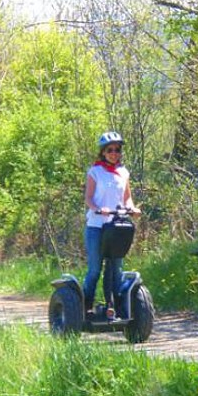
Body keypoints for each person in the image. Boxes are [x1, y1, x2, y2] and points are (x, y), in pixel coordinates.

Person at [83, 131, 141, 321]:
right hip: (96, 226)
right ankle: (86, 308)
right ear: (103, 152)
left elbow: (127, 197)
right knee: (94, 269)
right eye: (110, 150)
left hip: (117, 226)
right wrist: (99, 209)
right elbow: (89, 199)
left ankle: (115, 307)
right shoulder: (95, 172)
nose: (114, 153)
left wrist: (132, 208)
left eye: (117, 150)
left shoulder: (123, 173)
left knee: (116, 269)